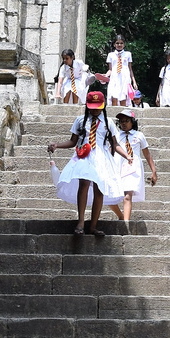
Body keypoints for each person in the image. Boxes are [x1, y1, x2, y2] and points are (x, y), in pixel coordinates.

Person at [47, 90, 127, 235]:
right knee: (83, 184)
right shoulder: (80, 120)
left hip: (101, 157)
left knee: (99, 189)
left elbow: (115, 144)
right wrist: (56, 145)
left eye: (97, 106)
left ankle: (93, 225)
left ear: (103, 106)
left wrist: (127, 156)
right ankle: (81, 222)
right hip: (84, 154)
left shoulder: (108, 123)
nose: (95, 109)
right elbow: (73, 141)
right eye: (92, 106)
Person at [106, 109, 157, 223]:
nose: (123, 123)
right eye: (121, 121)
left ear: (132, 122)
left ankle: (126, 223)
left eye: (126, 120)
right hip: (118, 166)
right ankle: (120, 215)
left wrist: (153, 171)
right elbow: (111, 150)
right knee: (109, 197)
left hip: (132, 168)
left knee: (127, 195)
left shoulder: (139, 135)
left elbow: (147, 154)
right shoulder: (117, 136)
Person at [104, 33, 137, 108]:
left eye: (121, 43)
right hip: (114, 78)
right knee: (113, 95)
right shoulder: (111, 55)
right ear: (114, 44)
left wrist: (134, 82)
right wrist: (105, 76)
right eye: (117, 43)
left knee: (123, 96)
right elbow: (110, 69)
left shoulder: (128, 54)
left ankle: (123, 114)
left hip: (124, 78)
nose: (119, 45)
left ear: (124, 44)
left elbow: (130, 69)